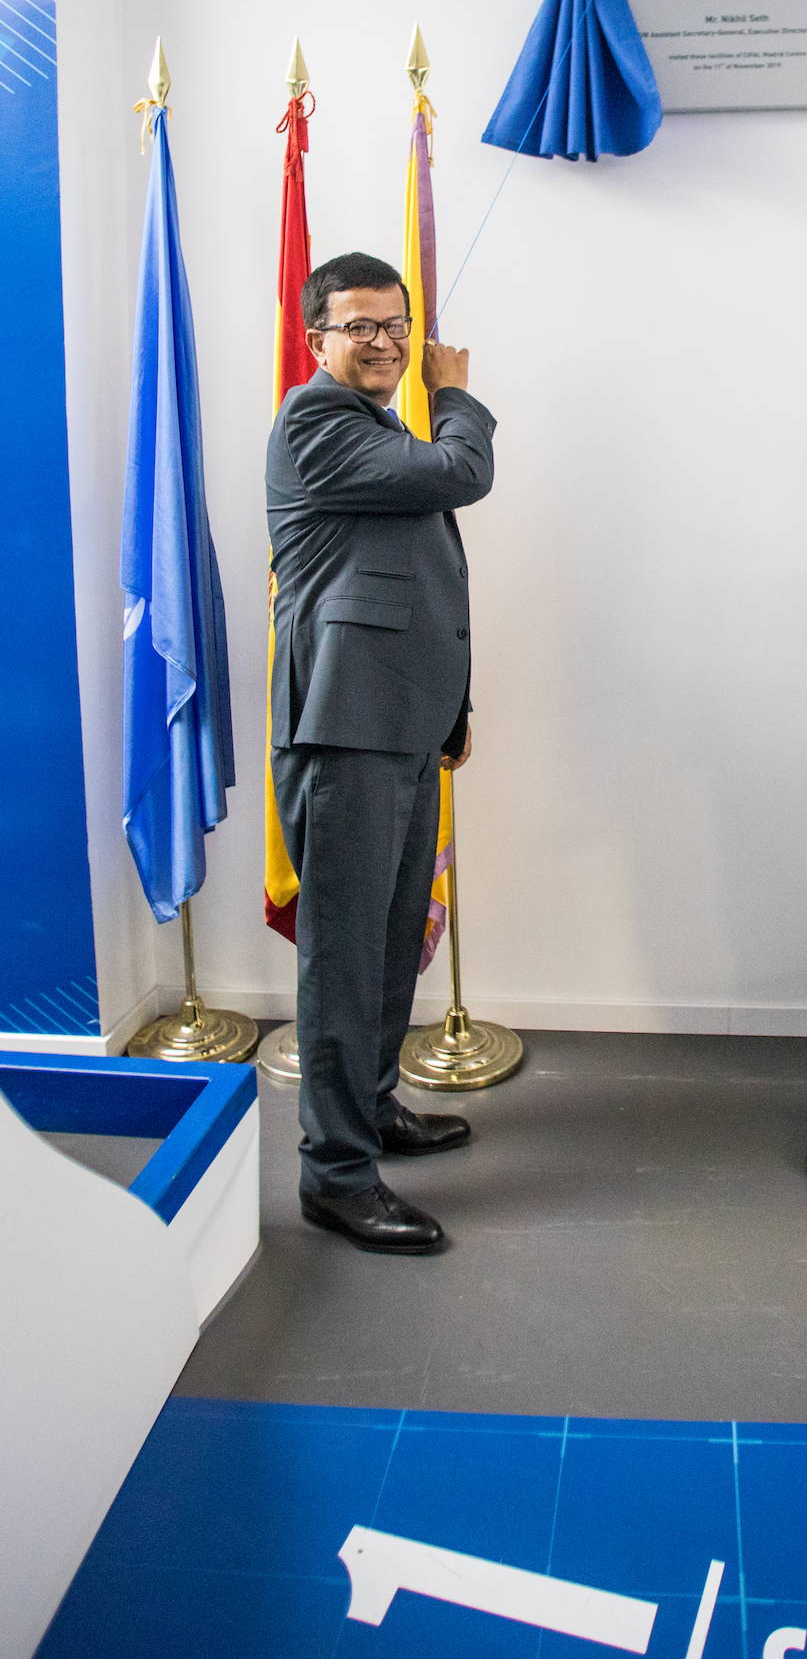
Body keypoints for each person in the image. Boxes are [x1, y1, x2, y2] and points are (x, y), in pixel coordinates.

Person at [267, 251, 496, 1255]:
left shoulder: (373, 426)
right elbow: (463, 473)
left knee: (395, 938)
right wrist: (455, 394)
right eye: (359, 325)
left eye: (396, 324)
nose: (385, 342)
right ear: (316, 337)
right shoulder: (313, 422)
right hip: (345, 730)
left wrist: (449, 704)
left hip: (399, 723)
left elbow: (409, 576)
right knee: (346, 958)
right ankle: (336, 1174)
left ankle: (370, 1107)